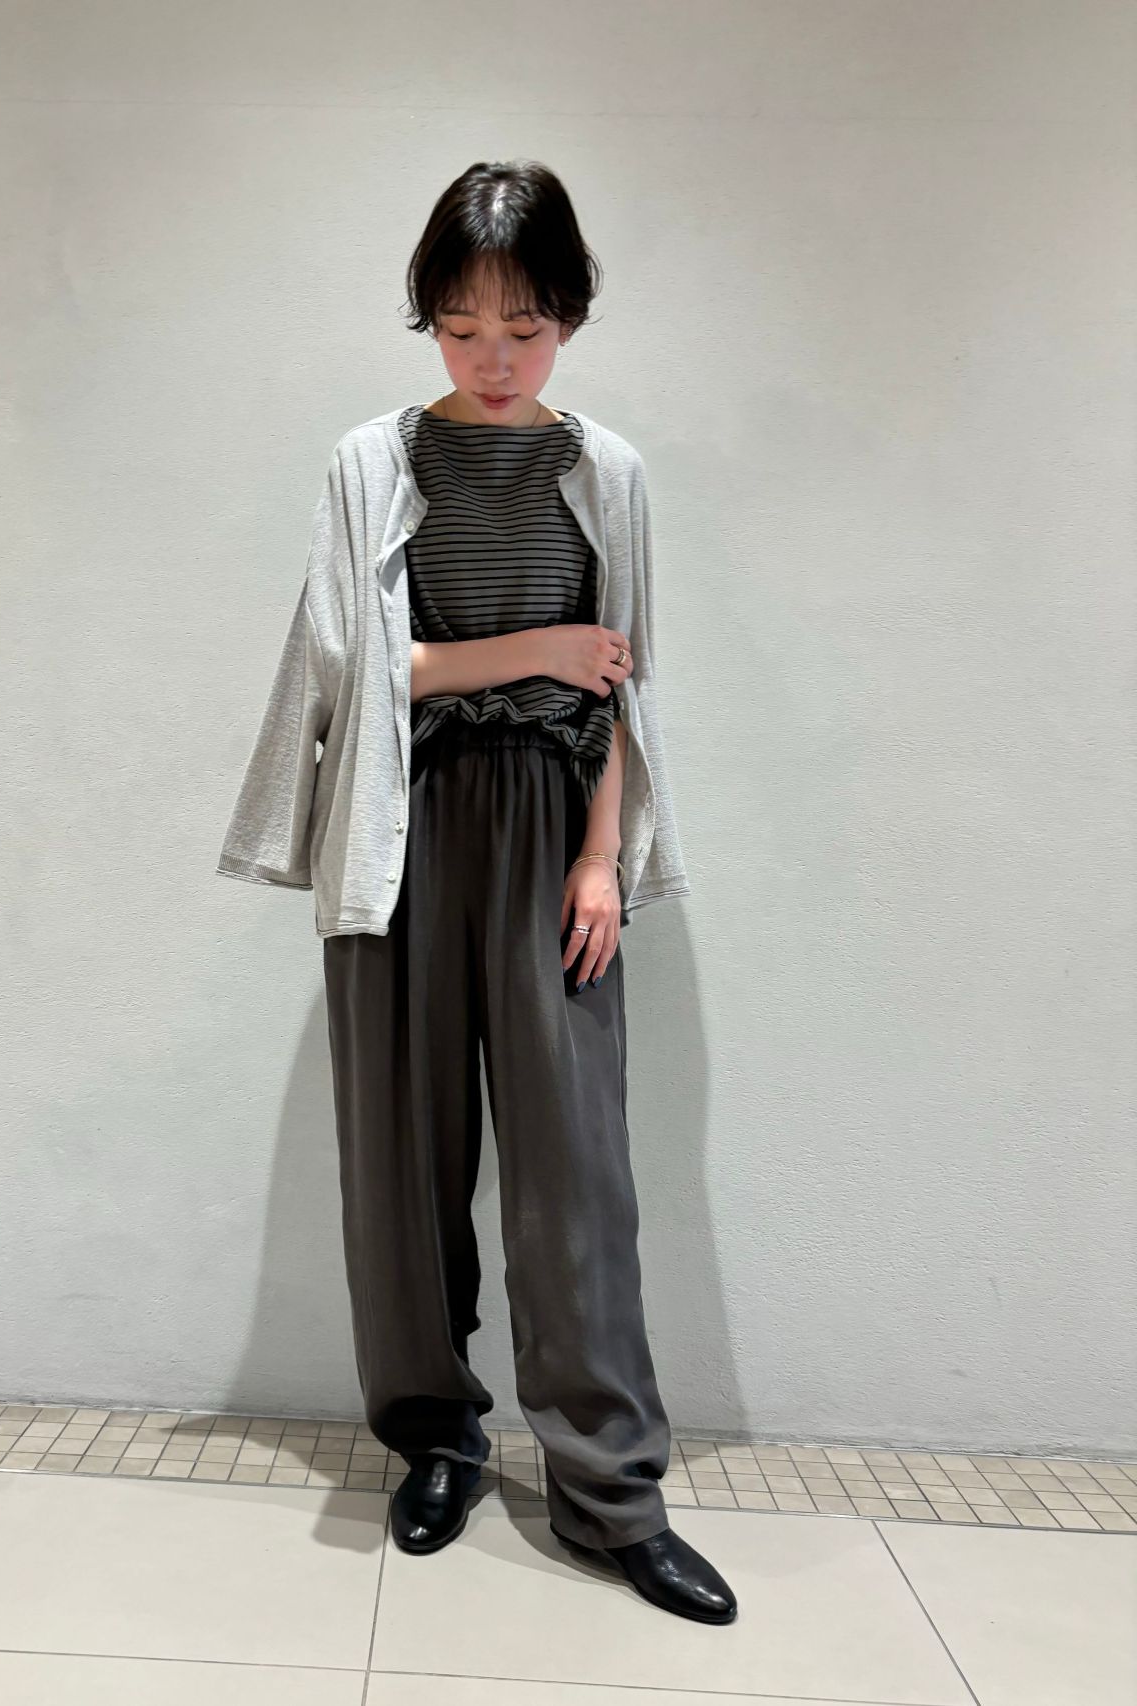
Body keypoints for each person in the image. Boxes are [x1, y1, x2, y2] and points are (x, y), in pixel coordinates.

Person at [219, 158, 736, 1625]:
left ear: (570, 317)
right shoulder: (369, 462)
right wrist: (536, 651)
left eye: (524, 328)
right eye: (459, 329)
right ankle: (435, 1438)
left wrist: (601, 857)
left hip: (553, 828)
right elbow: (350, 666)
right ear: (426, 320)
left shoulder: (608, 469)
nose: (493, 359)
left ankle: (610, 1494)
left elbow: (631, 681)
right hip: (404, 823)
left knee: (578, 1176)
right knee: (402, 1160)